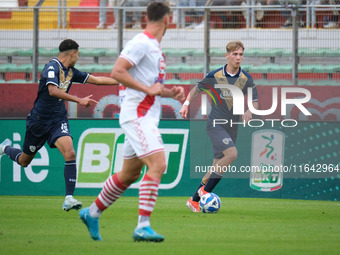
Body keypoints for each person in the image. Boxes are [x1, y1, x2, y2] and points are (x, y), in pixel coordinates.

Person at [79, 2, 184, 242]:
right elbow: (117, 72)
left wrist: (168, 93)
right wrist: (150, 89)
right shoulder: (141, 42)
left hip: (144, 114)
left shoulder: (154, 48)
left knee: (129, 174)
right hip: (136, 115)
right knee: (158, 163)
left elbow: (148, 86)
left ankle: (92, 212)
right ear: (168, 19)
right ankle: (142, 226)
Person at [0, 39, 119, 211]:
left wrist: (123, 81)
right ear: (72, 53)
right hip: (38, 122)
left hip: (57, 120)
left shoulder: (71, 72)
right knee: (24, 161)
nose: (78, 57)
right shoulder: (52, 67)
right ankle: (4, 148)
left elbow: (97, 80)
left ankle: (69, 198)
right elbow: (52, 90)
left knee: (70, 152)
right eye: (78, 53)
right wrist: (78, 99)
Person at [179, 41, 258, 212]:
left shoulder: (246, 79)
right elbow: (197, 89)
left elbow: (255, 101)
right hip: (216, 124)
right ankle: (205, 191)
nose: (238, 58)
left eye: (241, 54)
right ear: (227, 55)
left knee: (217, 166)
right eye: (235, 54)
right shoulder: (215, 75)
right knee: (232, 154)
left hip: (232, 126)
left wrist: (250, 111)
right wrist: (186, 104)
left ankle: (194, 200)